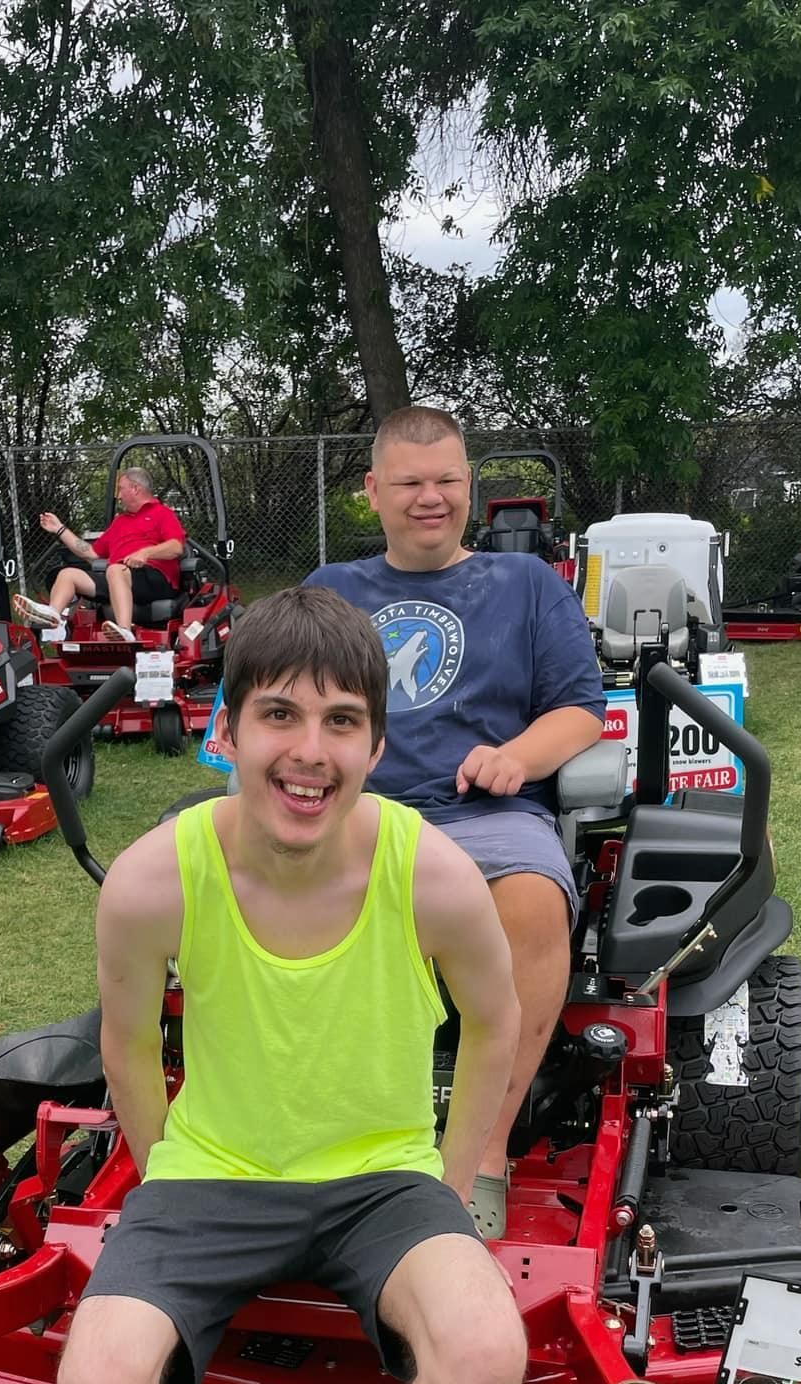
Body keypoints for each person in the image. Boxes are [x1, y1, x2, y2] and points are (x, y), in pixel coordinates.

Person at [57, 583, 526, 1384]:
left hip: (379, 1177)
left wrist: (462, 1177)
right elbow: (123, 1048)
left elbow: (495, 1019)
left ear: (377, 741)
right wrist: (167, 1177)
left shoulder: (431, 873)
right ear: (226, 728)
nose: (307, 751)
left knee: (484, 1352)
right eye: (278, 715)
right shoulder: (156, 879)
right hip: (213, 1174)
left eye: (339, 721)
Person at [306, 406, 606, 1238]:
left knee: (533, 902)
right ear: (373, 491)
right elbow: (274, 709)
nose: (429, 498)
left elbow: (581, 711)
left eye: (446, 480)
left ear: (470, 485)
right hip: (348, 814)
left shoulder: (528, 586)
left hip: (484, 813)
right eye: (409, 483)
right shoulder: (333, 590)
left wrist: (519, 754)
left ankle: (482, 1151)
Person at [14, 468, 186, 644]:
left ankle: (125, 632)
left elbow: (176, 547)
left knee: (115, 570)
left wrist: (146, 552)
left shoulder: (162, 513)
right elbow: (91, 553)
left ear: (135, 488)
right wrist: (59, 529)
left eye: (121, 489)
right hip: (119, 578)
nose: (118, 496)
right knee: (68, 574)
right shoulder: (120, 522)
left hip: (155, 580)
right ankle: (53, 617)